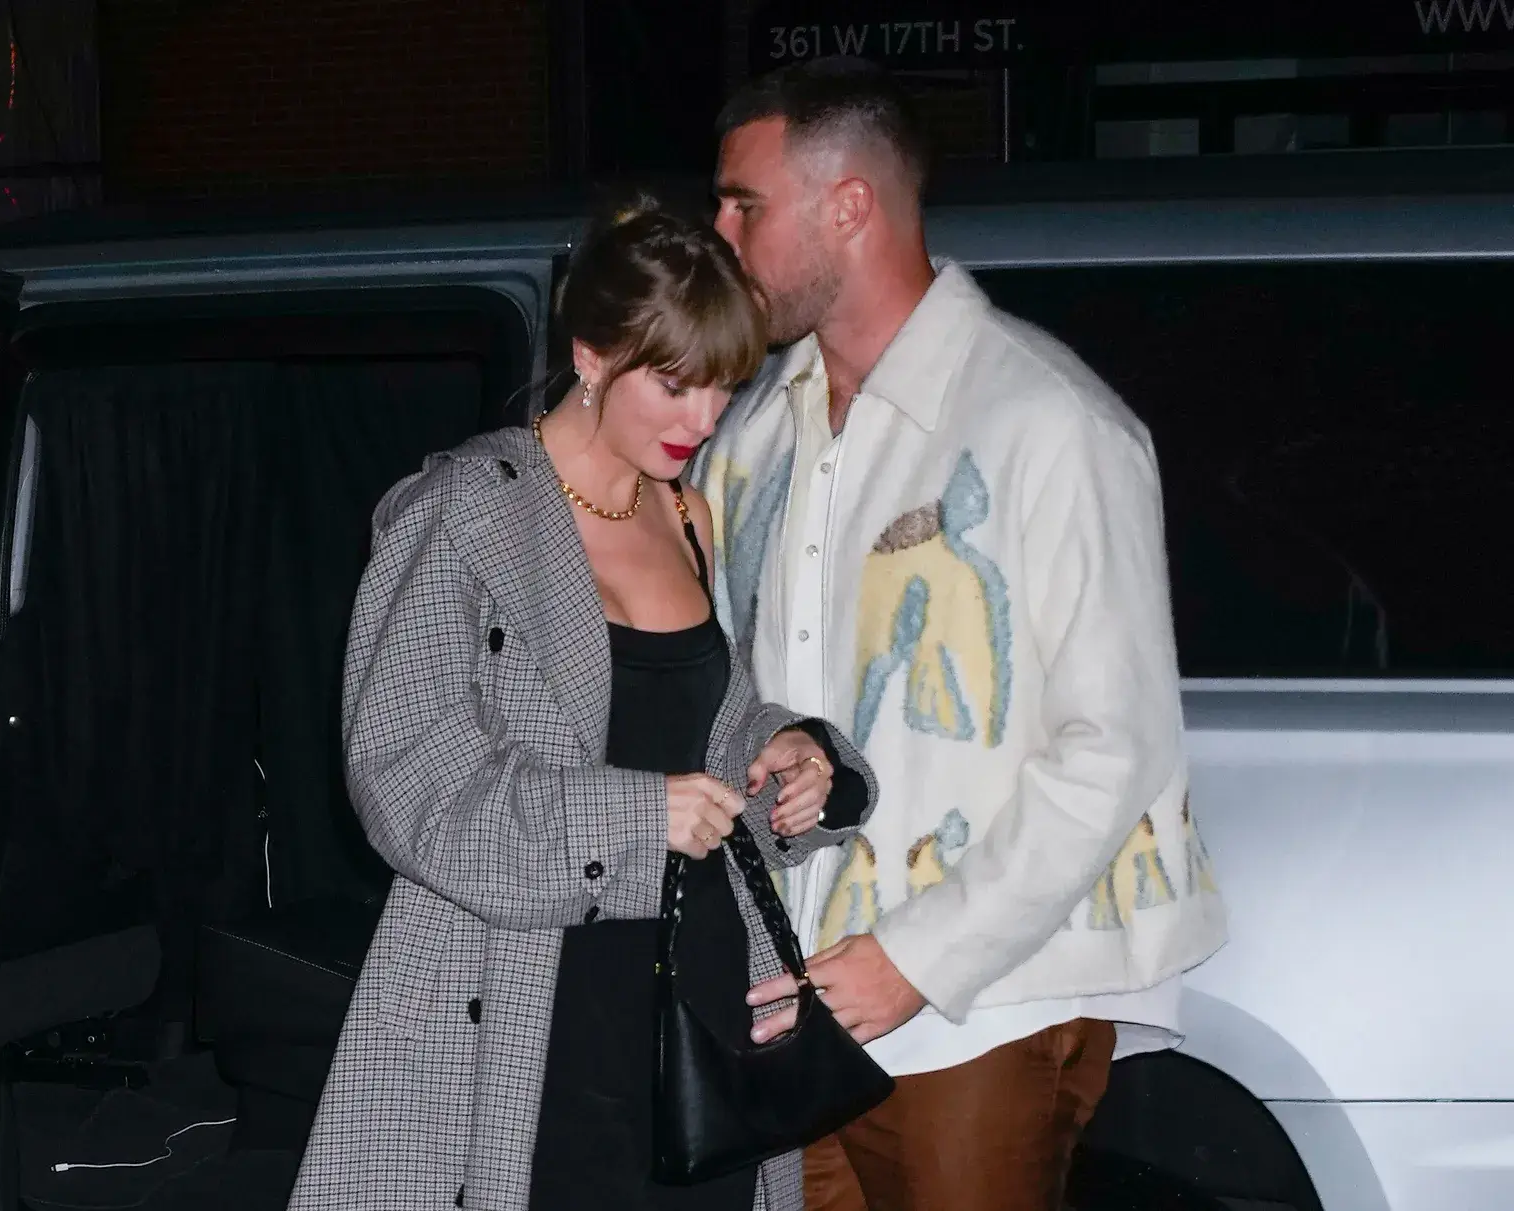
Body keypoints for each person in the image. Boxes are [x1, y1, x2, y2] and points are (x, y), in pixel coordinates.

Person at [693, 58, 1228, 1211]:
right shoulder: (756, 434)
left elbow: (1116, 743)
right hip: (794, 998)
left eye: (744, 205)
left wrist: (914, 959)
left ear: (848, 206)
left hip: (979, 1009)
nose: (718, 235)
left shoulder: (1045, 421)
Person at [288, 201, 876, 1211]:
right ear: (591, 355)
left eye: (726, 385)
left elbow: (703, 723)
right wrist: (636, 817)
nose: (703, 419)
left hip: (694, 992)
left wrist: (783, 750)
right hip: (525, 1002)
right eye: (676, 383)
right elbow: (403, 777)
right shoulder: (465, 511)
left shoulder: (685, 511)